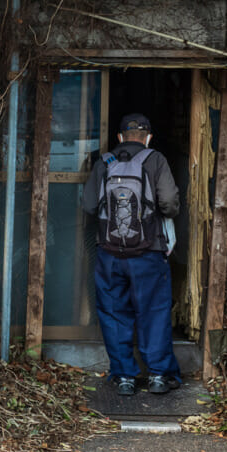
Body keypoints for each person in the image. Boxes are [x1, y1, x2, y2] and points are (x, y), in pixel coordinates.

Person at [82, 112, 183, 396]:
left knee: (114, 314)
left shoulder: (104, 162)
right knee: (154, 312)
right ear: (149, 137)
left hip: (109, 253)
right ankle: (159, 376)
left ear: (120, 137)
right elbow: (170, 204)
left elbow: (89, 205)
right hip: (148, 252)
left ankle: (124, 377)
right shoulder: (156, 160)